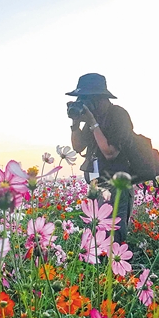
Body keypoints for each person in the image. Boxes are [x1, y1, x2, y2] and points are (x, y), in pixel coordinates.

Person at [67, 73, 135, 243]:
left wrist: (92, 122)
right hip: (97, 186)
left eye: (86, 98)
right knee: (96, 236)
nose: (84, 103)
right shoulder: (94, 119)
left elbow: (110, 152)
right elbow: (77, 147)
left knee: (113, 236)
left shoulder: (118, 115)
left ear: (100, 98)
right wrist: (75, 123)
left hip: (116, 185)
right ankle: (100, 268)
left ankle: (112, 268)